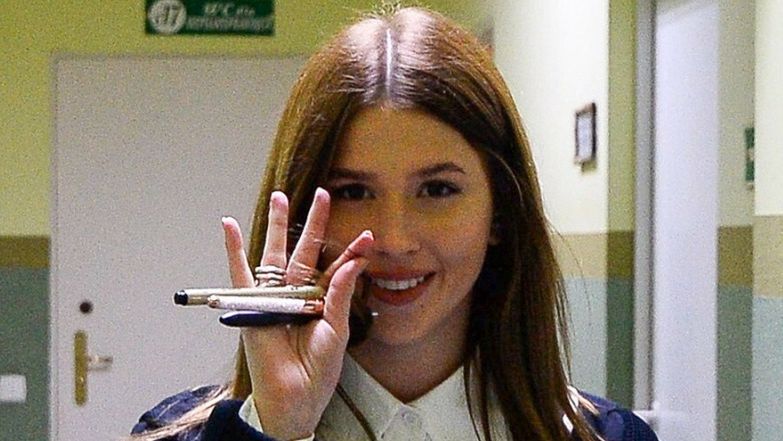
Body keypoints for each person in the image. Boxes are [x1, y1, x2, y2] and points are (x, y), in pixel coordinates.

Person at [131, 5, 658, 441]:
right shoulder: (176, 434)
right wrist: (278, 431)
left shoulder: (608, 436)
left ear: (499, 212)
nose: (394, 240)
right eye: (353, 192)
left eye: (437, 190)